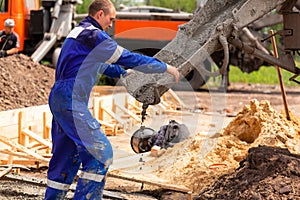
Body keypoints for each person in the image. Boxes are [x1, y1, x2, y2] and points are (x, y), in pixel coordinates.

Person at [44, 0, 179, 199]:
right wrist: (164, 67)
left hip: (60, 97)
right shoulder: (95, 35)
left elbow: (99, 64)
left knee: (65, 155)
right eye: (110, 19)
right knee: (101, 154)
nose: (111, 24)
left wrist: (123, 73)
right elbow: (127, 56)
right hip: (71, 98)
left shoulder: (79, 32)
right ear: (99, 15)